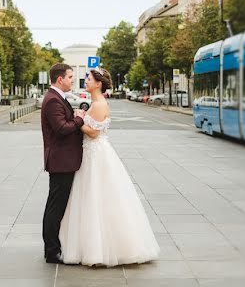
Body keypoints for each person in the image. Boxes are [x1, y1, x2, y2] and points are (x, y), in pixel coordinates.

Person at [59, 67, 160, 266]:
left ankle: (97, 249)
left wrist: (77, 120)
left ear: (98, 84)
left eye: (88, 79)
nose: (85, 81)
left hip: (95, 154)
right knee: (94, 196)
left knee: (95, 197)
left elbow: (93, 133)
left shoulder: (98, 104)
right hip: (93, 152)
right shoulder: (97, 103)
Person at [40, 62, 85, 264]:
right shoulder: (52, 100)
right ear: (60, 79)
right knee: (55, 207)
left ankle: (52, 248)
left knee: (56, 205)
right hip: (61, 161)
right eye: (70, 77)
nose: (73, 80)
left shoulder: (57, 98)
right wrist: (79, 119)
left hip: (63, 160)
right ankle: (51, 251)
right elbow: (61, 128)